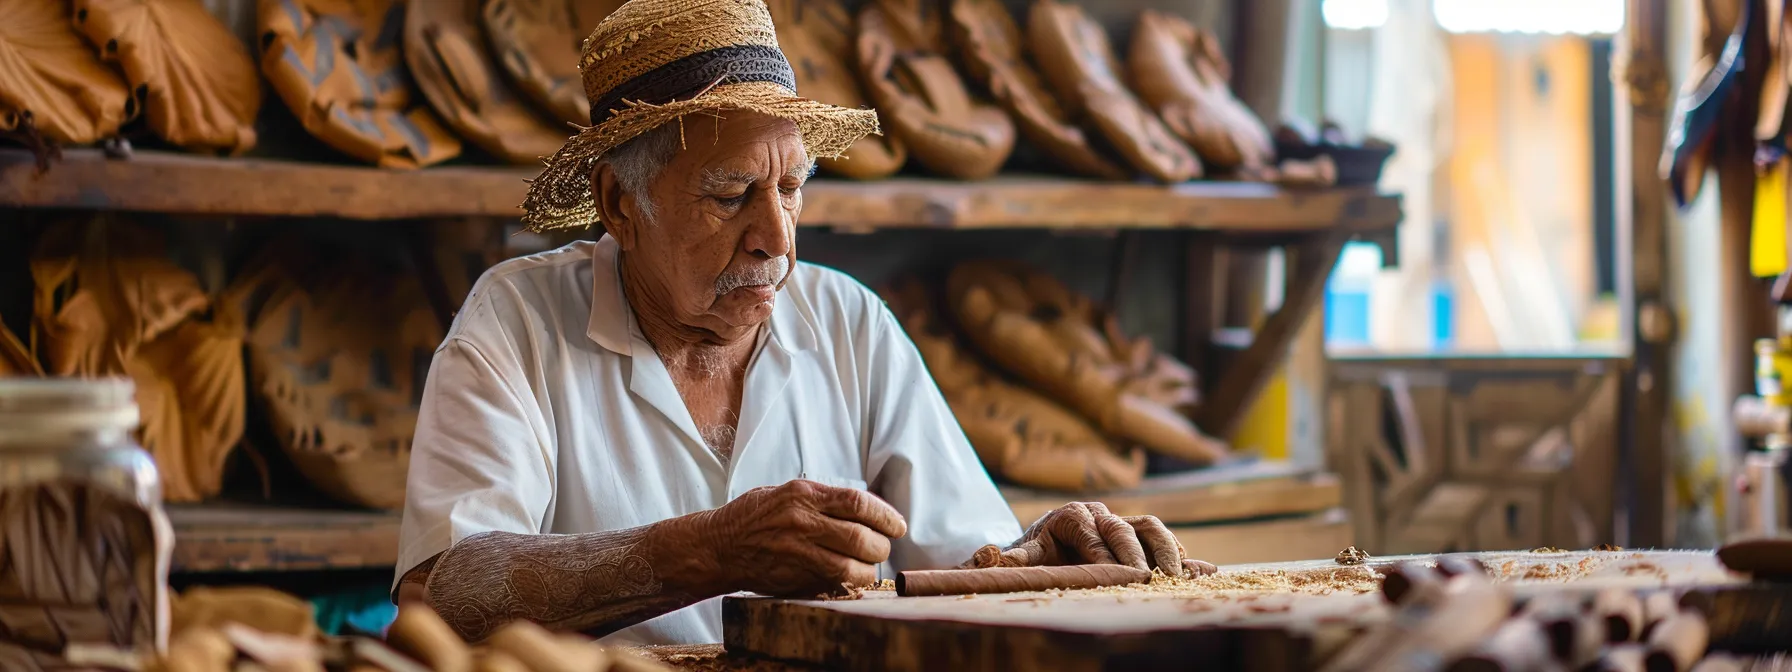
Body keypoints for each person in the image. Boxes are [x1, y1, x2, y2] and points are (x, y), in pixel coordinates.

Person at [392, 0, 1214, 645]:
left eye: (790, 189)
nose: (777, 239)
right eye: (729, 194)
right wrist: (708, 550)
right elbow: (443, 591)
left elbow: (970, 565)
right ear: (618, 204)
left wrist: (1045, 558)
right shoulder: (517, 323)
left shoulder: (848, 321)